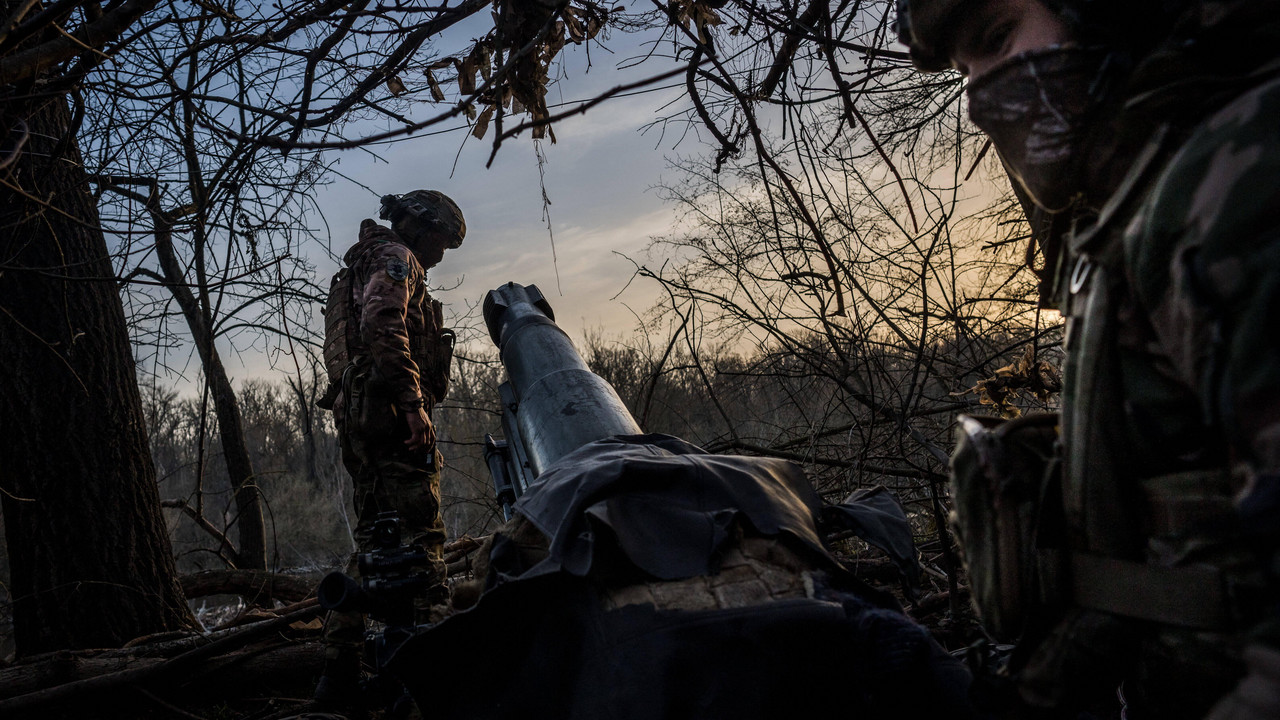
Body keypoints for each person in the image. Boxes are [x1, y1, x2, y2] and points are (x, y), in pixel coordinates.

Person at [896, 1, 1280, 717]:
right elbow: (1154, 546)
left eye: (997, 38)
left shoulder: (1236, 179)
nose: (981, 96)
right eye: (964, 72)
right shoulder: (1130, 208)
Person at [314, 189, 465, 707]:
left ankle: (336, 679)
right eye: (442, 243)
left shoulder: (357, 265)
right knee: (425, 546)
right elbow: (382, 322)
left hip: (362, 424)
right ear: (421, 228)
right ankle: (436, 683)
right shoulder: (396, 259)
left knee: (375, 548)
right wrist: (411, 404)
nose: (441, 256)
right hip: (390, 423)